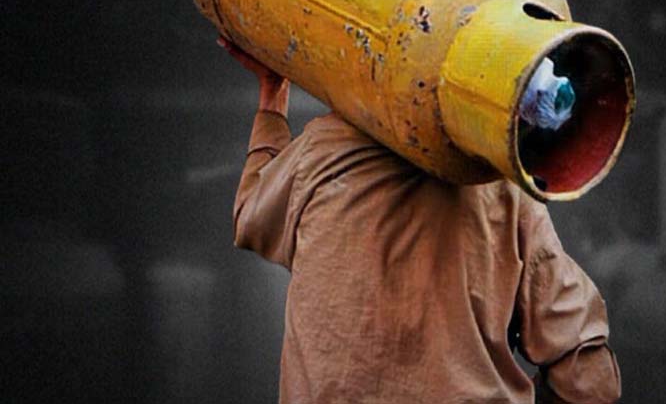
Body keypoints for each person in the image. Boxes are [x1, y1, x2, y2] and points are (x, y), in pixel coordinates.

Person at [219, 36, 621, 404]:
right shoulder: (500, 187)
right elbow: (588, 380)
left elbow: (252, 218)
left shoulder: (321, 155)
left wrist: (272, 97)